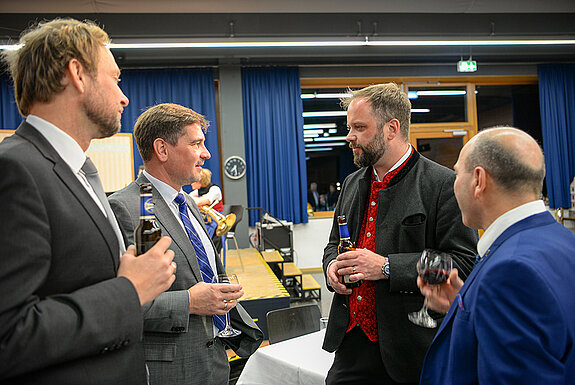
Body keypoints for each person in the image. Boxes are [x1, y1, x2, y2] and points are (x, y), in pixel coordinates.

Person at [0, 19, 176, 384]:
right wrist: (129, 291)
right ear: (77, 74)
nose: (124, 97)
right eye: (115, 79)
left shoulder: (77, 170)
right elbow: (9, 334)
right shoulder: (15, 168)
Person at [322, 83, 478, 384]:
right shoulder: (352, 183)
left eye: (359, 128)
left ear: (391, 128)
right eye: (349, 127)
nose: (349, 137)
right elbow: (333, 244)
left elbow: (463, 262)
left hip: (413, 346)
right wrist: (332, 266)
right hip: (352, 344)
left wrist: (387, 267)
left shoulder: (442, 185)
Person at [109, 103, 263, 385]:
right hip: (168, 371)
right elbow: (117, 305)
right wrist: (189, 302)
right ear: (162, 149)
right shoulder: (124, 209)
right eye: (196, 143)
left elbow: (205, 272)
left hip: (214, 362)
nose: (206, 154)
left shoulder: (189, 204)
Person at [419, 127, 575, 384]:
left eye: (457, 173)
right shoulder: (562, 240)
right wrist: (465, 304)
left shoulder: (511, 271)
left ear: (478, 181)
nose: (454, 184)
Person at [191, 168, 225, 253]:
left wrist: (192, 200)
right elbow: (189, 198)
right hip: (205, 219)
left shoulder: (215, 189)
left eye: (194, 181)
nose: (191, 183)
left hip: (215, 220)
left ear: (200, 181)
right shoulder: (197, 191)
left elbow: (202, 201)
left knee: (205, 237)